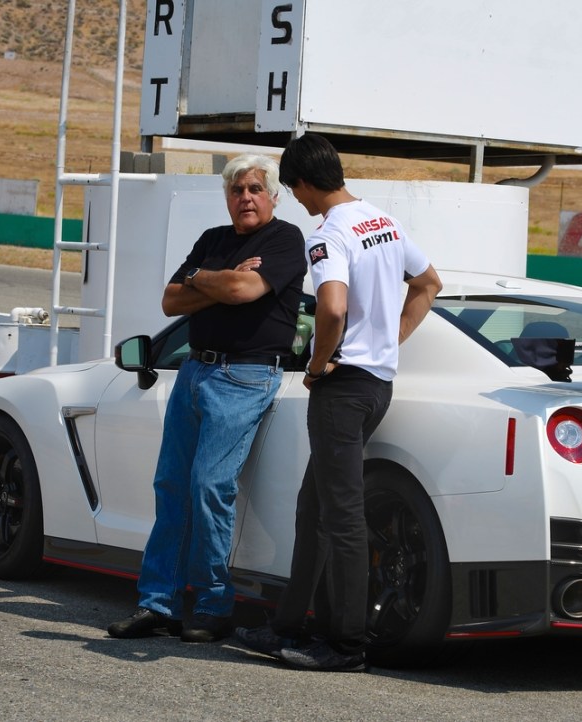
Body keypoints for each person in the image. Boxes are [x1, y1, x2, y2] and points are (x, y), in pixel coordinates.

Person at [235, 134, 442, 671]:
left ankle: (347, 644)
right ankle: (287, 625)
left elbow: (330, 308)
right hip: (376, 385)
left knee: (343, 517)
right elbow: (428, 283)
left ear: (303, 183)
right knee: (315, 508)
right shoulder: (383, 221)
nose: (297, 201)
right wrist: (389, 340)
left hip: (343, 388)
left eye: (293, 190)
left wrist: (317, 362)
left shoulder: (327, 233)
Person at [108, 154, 306, 643]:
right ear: (226, 197)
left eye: (256, 189)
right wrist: (212, 279)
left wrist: (205, 278)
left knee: (208, 486)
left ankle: (215, 606)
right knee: (171, 486)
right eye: (237, 190)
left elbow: (242, 288)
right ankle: (160, 605)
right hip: (194, 371)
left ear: (274, 195)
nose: (245, 198)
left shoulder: (285, 239)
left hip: (246, 376)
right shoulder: (213, 240)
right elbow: (171, 300)